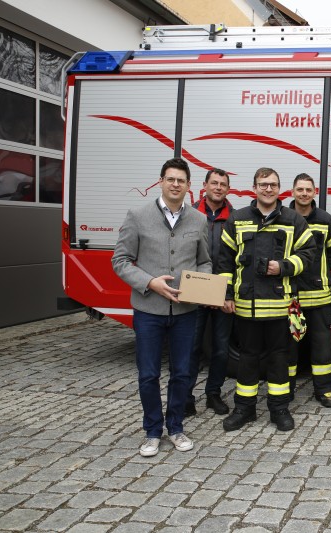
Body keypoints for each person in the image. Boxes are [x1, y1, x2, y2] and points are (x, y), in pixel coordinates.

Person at [111, 157, 211, 457]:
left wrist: (200, 282)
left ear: (189, 186)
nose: (176, 184)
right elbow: (120, 261)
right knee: (148, 374)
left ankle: (176, 427)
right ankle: (153, 431)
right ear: (161, 181)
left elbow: (204, 260)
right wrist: (150, 282)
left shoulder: (198, 219)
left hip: (185, 312)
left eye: (181, 180)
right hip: (148, 310)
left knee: (182, 373)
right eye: (171, 179)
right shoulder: (137, 215)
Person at [217, 167, 315, 432]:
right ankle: (244, 409)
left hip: (280, 306)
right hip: (246, 306)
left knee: (278, 359)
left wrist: (283, 267)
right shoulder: (237, 219)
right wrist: (226, 294)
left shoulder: (294, 220)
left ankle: (279, 409)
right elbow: (224, 261)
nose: (268, 189)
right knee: (247, 359)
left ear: (279, 188)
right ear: (254, 187)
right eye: (263, 184)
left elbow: (308, 254)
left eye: (272, 185)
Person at [288, 173, 331, 408]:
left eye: (308, 190)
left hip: (319, 297)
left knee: (322, 347)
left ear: (315, 192)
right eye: (300, 189)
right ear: (292, 192)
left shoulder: (326, 220)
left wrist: (322, 273)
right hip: (290, 295)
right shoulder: (283, 218)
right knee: (288, 347)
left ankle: (324, 391)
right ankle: (285, 390)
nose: (304, 194)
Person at [185, 168, 234, 417]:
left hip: (224, 293)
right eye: (213, 183)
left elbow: (238, 259)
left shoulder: (235, 218)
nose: (218, 187)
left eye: (222, 184)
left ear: (228, 189)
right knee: (191, 347)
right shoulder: (189, 215)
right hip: (195, 292)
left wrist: (228, 294)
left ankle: (213, 393)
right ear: (204, 185)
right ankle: (185, 396)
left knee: (220, 348)